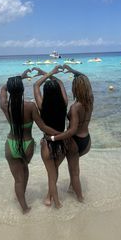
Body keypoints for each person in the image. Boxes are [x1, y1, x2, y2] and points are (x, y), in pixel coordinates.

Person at [0, 70, 59, 214]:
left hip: (11, 144)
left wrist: (19, 77)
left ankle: (24, 207)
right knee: (25, 170)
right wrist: (62, 134)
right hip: (27, 145)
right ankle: (24, 203)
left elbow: (3, 88)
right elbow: (43, 127)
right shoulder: (30, 106)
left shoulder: (5, 105)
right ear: (22, 90)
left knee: (18, 179)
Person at [46, 64, 94, 202]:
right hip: (87, 140)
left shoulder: (75, 107)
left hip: (75, 142)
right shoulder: (90, 101)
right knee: (74, 170)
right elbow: (84, 77)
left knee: (74, 173)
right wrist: (73, 71)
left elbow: (72, 130)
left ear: (75, 88)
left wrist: (53, 138)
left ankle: (80, 199)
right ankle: (72, 190)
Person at [33, 66, 68, 208]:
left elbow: (36, 85)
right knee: (54, 173)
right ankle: (49, 196)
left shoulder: (42, 105)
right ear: (59, 93)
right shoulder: (64, 103)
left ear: (45, 93)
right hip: (62, 143)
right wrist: (52, 74)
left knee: (51, 175)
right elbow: (61, 83)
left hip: (48, 143)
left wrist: (47, 74)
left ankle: (56, 203)